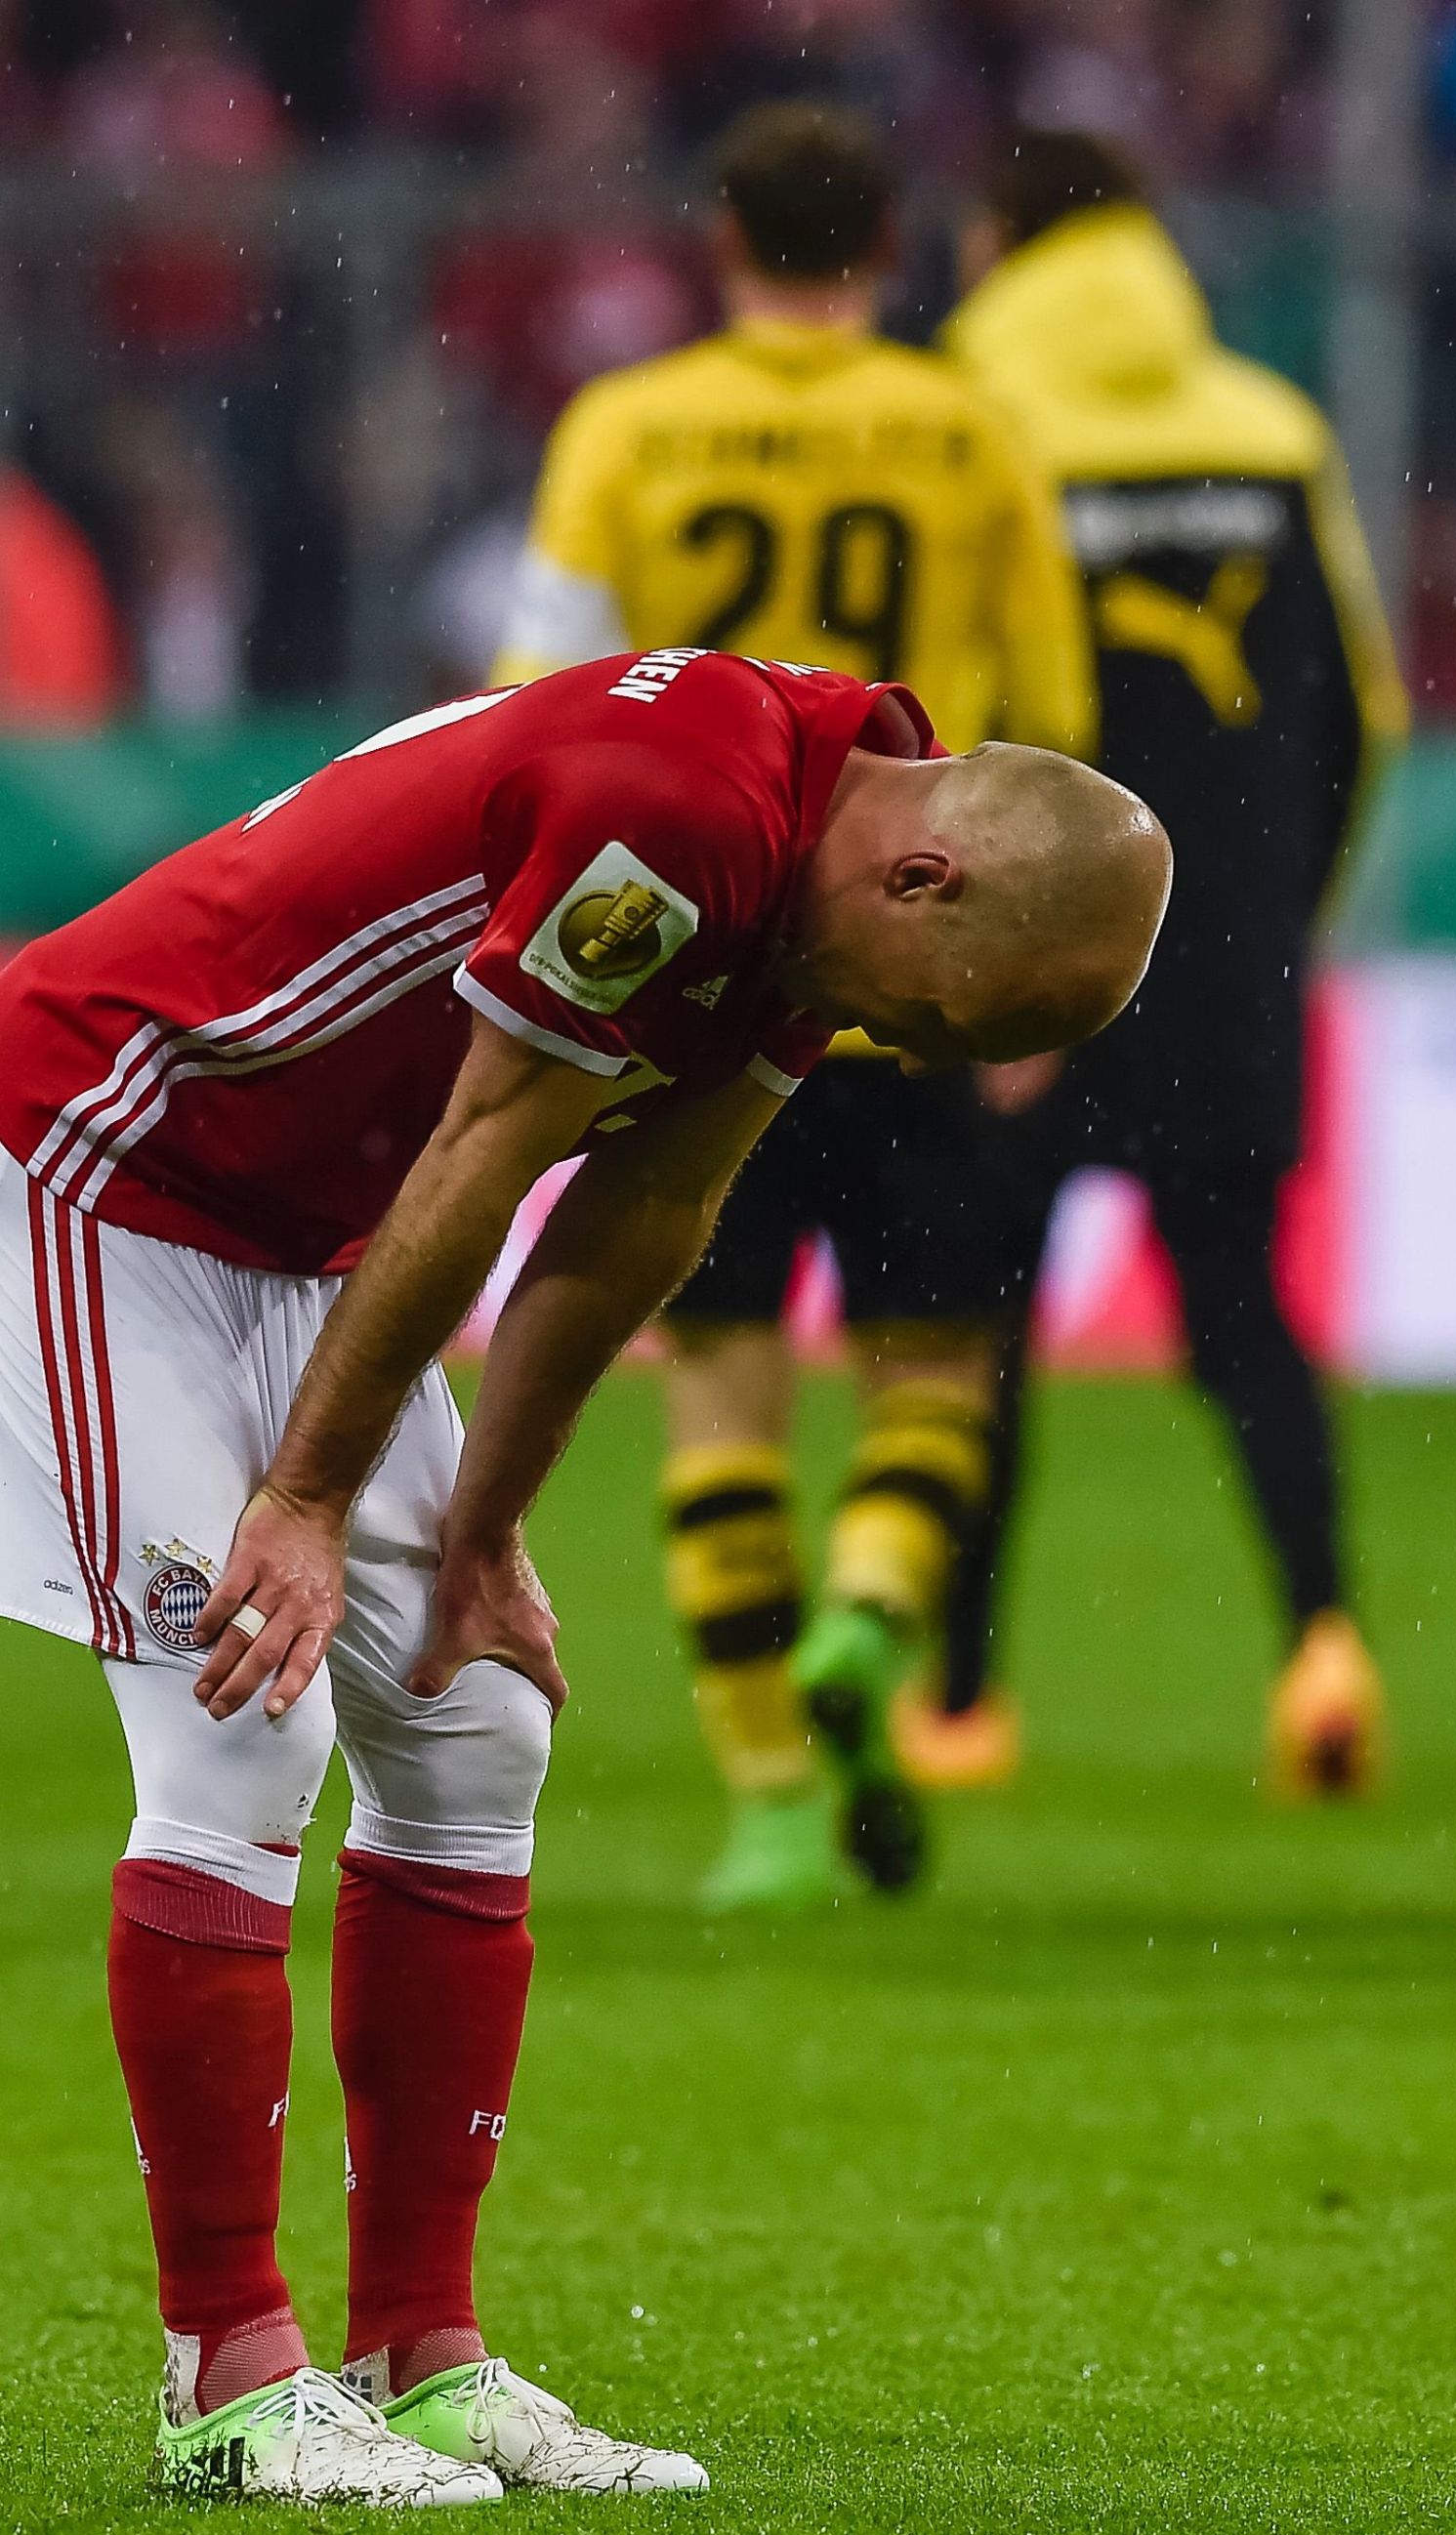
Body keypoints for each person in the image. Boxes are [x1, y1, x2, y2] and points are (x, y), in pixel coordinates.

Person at [0, 650, 1167, 2503]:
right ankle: (228, 2385)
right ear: (929, 880)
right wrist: (314, 1500)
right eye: (937, 1018)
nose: (905, 1047)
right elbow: (494, 1153)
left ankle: (421, 2353)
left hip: (304, 1223)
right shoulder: (679, 817)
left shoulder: (817, 884)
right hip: (92, 1161)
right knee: (246, 1731)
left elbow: (645, 1201)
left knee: (472, 1723)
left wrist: (482, 1531)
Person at [491, 102, 1096, 1913]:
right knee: (936, 1366)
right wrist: (1033, 987)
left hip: (699, 972)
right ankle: (876, 1607)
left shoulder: (626, 428)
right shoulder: (971, 430)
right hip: (912, 956)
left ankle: (765, 1797)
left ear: (722, 237)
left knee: (720, 1390)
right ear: (890, 251)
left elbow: (538, 705)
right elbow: (1051, 727)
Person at [934, 131, 1409, 1800]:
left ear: (1003, 236)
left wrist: (975, 964)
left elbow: (965, 715)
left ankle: (964, 1695)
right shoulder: (1271, 428)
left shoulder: (976, 420)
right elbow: (1366, 708)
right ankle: (1325, 1646)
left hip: (1038, 972)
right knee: (1243, 1317)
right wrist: (1284, 913)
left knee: (975, 1329)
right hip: (1231, 960)